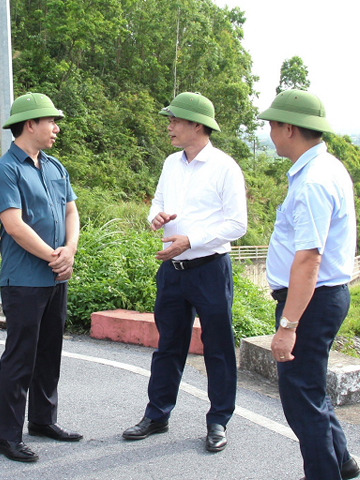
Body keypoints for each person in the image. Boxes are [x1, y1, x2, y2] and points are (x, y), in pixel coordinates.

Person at [122, 92, 247, 453]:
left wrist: (190, 240)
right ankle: (157, 414)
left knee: (218, 347)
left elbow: (237, 223)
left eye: (175, 120)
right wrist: (154, 218)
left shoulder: (225, 167)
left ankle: (219, 420)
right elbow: (158, 202)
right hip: (172, 269)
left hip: (210, 268)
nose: (169, 126)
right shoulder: (170, 163)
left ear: (197, 125)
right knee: (168, 345)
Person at [258, 89, 360, 480]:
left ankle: (324, 473)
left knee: (300, 397)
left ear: (288, 128)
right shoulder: (325, 168)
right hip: (319, 298)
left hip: (310, 301)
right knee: (310, 387)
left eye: (271, 124)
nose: (269, 131)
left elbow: (308, 260)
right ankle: (343, 462)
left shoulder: (314, 181)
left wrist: (287, 326)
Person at [0, 93, 82, 463]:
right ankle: (6, 436)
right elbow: (14, 225)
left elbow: (71, 211)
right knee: (20, 357)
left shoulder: (55, 166)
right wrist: (55, 257)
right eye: (51, 122)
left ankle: (43, 421)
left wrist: (69, 250)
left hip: (56, 277)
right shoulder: (4, 170)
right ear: (30, 124)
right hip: (24, 280)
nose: (56, 128)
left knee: (49, 352)